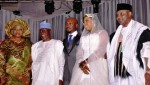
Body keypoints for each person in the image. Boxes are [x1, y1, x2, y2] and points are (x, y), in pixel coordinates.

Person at [107, 3, 150, 85]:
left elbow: (148, 52)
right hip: (118, 77)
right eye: (117, 15)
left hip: (134, 76)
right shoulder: (113, 36)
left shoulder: (141, 31)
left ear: (130, 14)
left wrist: (148, 72)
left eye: (122, 14)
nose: (119, 17)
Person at [70, 14, 109, 85]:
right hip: (82, 66)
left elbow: (101, 50)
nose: (85, 23)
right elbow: (79, 52)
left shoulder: (102, 33)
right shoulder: (83, 37)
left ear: (94, 21)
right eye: (84, 22)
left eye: (87, 21)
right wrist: (81, 63)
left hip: (97, 64)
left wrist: (86, 61)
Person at [31, 21, 65, 85]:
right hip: (37, 79)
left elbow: (61, 63)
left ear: (49, 31)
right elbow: (34, 64)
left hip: (51, 79)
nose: (41, 33)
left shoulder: (57, 44)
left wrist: (60, 79)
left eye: (44, 30)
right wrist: (32, 79)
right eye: (40, 31)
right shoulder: (35, 46)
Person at [0, 18, 32, 85]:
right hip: (9, 76)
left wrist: (29, 69)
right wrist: (2, 75)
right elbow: (1, 59)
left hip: (24, 77)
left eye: (20, 29)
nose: (17, 31)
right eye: (15, 29)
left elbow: (33, 59)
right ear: (11, 30)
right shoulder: (6, 43)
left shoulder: (29, 43)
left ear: (23, 31)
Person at [63, 17, 80, 85]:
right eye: (66, 24)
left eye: (70, 23)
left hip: (77, 73)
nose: (67, 25)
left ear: (76, 25)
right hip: (65, 75)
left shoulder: (82, 38)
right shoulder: (64, 41)